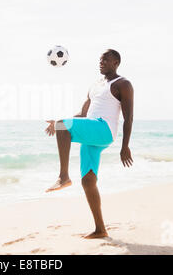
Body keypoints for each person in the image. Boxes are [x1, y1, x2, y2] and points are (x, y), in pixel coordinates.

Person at [44, 49, 134, 239]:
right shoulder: (95, 85)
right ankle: (100, 229)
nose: (101, 62)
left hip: (104, 130)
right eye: (100, 59)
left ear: (116, 62)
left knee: (63, 125)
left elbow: (128, 118)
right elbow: (83, 114)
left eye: (106, 59)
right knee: (88, 181)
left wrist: (125, 146)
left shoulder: (123, 84)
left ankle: (63, 176)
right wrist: (59, 124)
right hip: (92, 132)